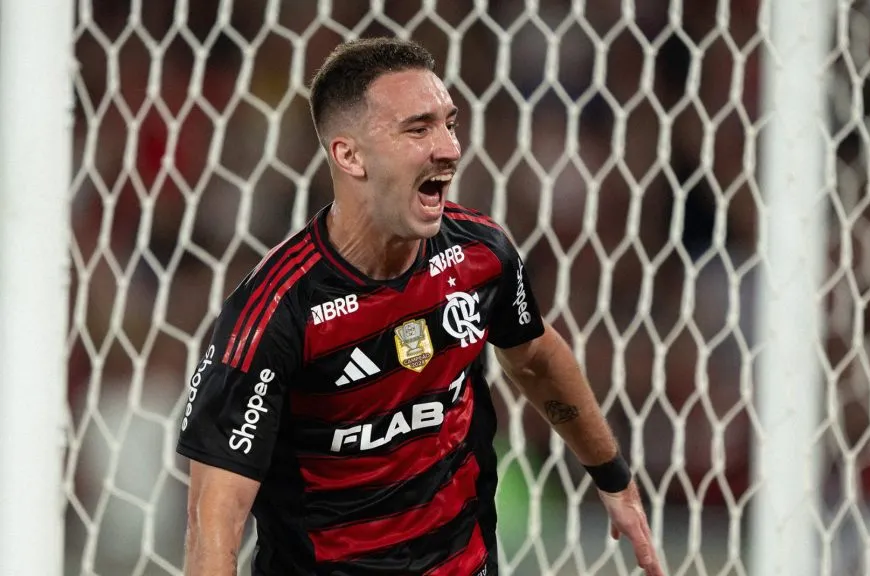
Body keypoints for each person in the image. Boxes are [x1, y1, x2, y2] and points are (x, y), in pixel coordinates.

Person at [176, 36, 664, 576]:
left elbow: (535, 359)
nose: (449, 148)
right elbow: (214, 521)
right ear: (349, 155)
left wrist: (613, 478)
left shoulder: (481, 254)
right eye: (418, 129)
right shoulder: (274, 312)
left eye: (449, 124)